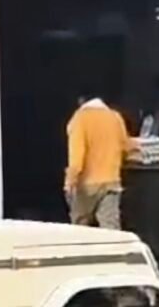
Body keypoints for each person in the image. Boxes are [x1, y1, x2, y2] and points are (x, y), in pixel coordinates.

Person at [64, 88, 131, 230]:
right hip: (111, 182)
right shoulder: (115, 117)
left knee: (81, 228)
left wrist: (70, 181)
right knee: (110, 227)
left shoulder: (80, 118)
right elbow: (126, 147)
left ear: (81, 101)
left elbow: (77, 154)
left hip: (86, 185)